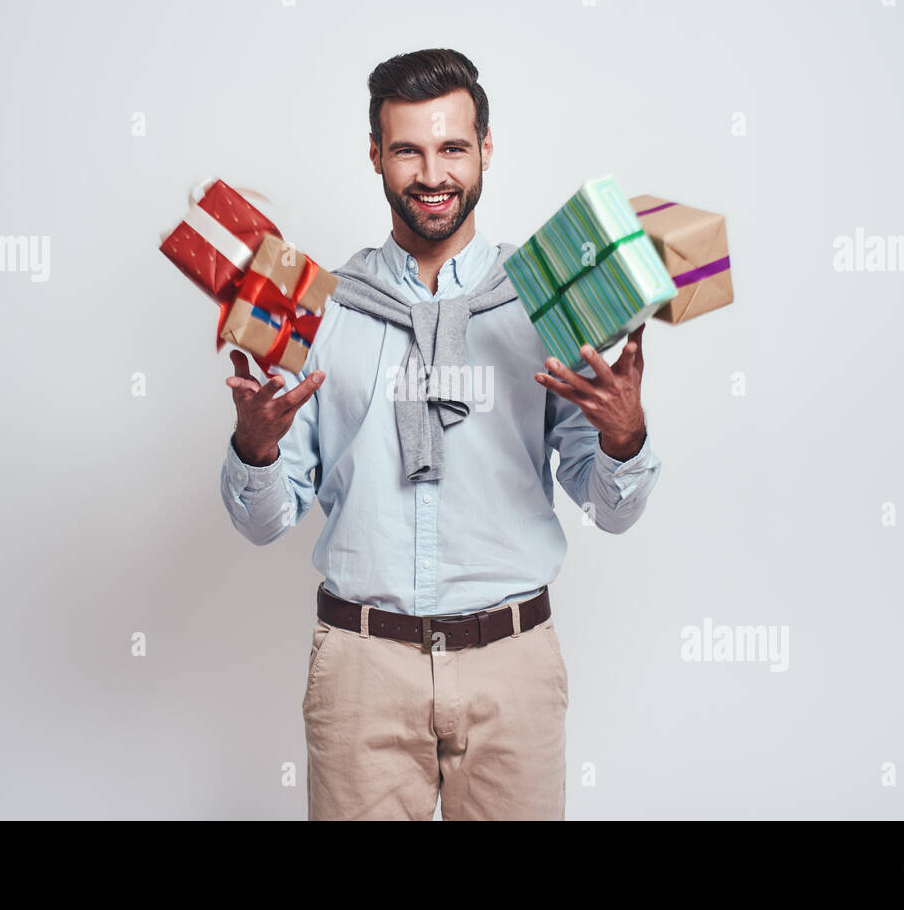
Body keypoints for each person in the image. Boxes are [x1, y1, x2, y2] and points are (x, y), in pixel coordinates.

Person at [221, 47, 661, 820]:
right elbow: (264, 521)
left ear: (486, 150)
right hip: (361, 670)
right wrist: (255, 446)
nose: (433, 173)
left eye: (453, 147)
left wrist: (624, 436)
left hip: (512, 667)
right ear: (375, 156)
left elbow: (614, 510)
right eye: (408, 150)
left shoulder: (547, 301)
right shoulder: (320, 309)